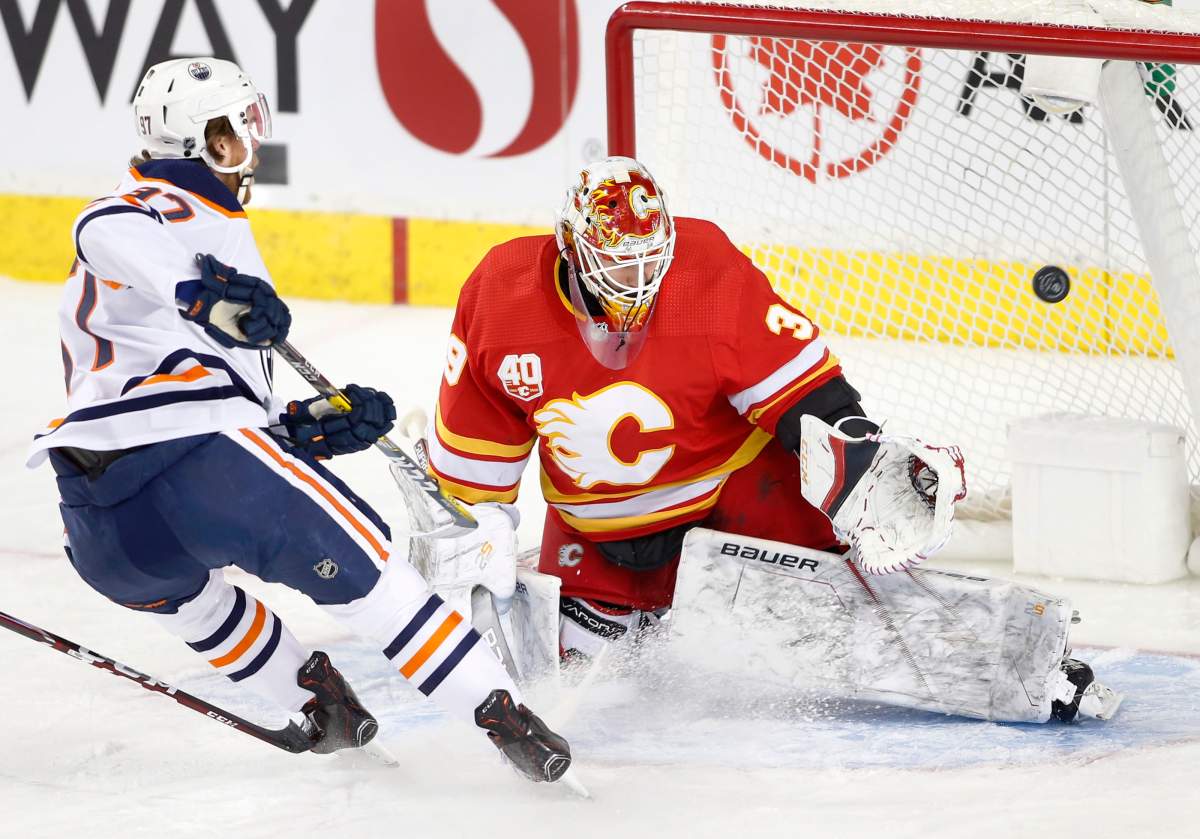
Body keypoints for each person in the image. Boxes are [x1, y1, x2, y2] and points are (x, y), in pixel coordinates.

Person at [424, 155, 1118, 724]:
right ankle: (629, 609)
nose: (638, 282)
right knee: (584, 688)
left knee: (844, 575)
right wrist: (476, 539)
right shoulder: (501, 292)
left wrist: (856, 454)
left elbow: (802, 391)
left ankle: (998, 655)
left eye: (648, 262)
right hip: (601, 536)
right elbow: (475, 455)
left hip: (733, 496)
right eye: (619, 265)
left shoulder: (704, 270)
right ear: (570, 246)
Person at [26, 57, 570, 781]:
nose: (251, 140)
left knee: (187, 598)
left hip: (100, 528)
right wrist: (199, 292)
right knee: (376, 575)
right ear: (207, 140)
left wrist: (304, 421)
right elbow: (106, 228)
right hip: (201, 468)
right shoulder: (158, 210)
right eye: (238, 127)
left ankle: (316, 699)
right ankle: (504, 716)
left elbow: (197, 380)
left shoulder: (191, 239)